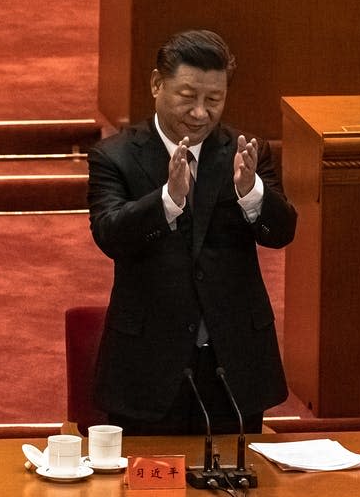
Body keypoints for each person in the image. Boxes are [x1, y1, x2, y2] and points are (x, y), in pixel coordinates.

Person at [87, 29, 297, 435]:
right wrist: (168, 199)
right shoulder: (113, 157)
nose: (200, 112)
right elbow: (110, 234)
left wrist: (251, 192)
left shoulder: (245, 153)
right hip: (147, 366)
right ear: (156, 84)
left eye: (213, 100)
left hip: (232, 363)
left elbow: (280, 232)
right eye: (188, 96)